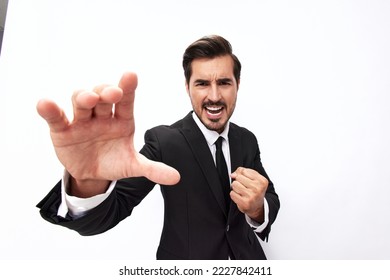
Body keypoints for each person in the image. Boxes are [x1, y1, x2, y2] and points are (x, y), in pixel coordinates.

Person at [36, 35, 280, 260]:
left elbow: (269, 197)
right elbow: (110, 213)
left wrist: (258, 208)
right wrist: (88, 182)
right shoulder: (164, 141)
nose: (214, 96)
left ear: (238, 84)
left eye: (224, 82)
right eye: (202, 83)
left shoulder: (246, 140)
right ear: (187, 87)